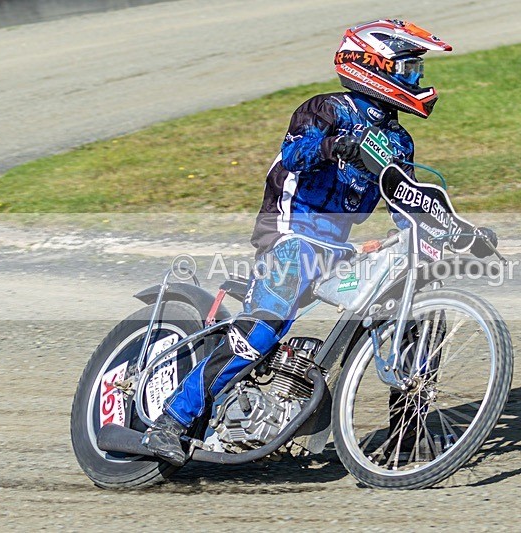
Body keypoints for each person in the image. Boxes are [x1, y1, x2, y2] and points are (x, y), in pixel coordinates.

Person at [143, 19, 497, 465]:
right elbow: (294, 155)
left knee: (417, 314)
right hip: (291, 235)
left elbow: (404, 201)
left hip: (339, 251)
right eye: (408, 69)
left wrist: (453, 233)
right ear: (373, 64)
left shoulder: (398, 140)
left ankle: (408, 431)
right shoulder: (326, 109)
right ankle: (171, 421)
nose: (416, 80)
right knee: (263, 328)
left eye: (417, 73)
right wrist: (336, 146)